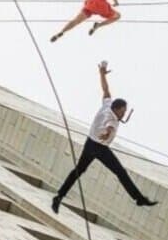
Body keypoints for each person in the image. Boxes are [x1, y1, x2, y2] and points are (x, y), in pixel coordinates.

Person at [51, 61, 157, 213]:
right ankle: (139, 199)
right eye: (123, 111)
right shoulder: (112, 117)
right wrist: (107, 133)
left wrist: (102, 74)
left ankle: (59, 196)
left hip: (90, 143)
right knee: (120, 172)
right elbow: (109, 125)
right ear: (118, 109)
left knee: (78, 171)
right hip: (99, 148)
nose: (124, 114)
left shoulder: (107, 104)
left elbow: (105, 89)